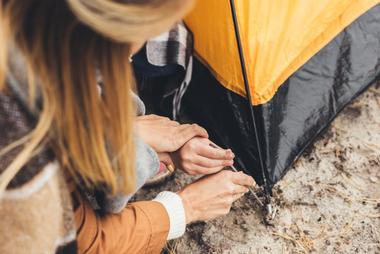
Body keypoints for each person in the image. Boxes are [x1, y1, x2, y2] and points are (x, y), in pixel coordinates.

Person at [0, 1, 255, 253]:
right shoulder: (23, 145)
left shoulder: (30, 42)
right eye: (146, 34)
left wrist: (137, 138)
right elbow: (83, 243)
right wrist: (187, 207)